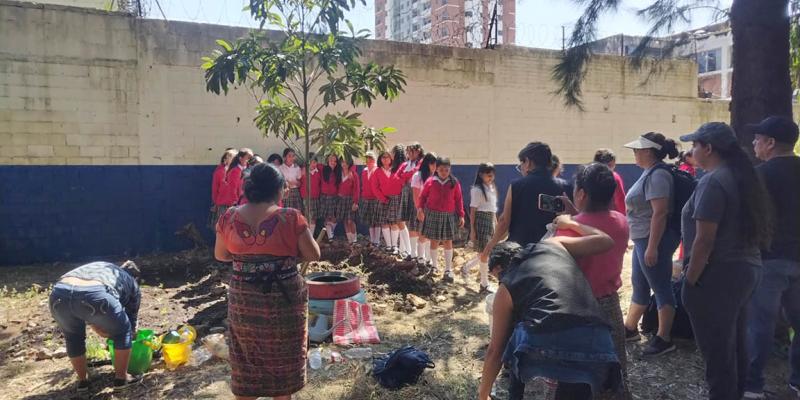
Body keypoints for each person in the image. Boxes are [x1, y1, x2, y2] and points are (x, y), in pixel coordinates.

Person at [478, 220, 622, 400]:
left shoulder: (506, 287)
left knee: (515, 339)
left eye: (495, 277)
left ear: (498, 268)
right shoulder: (554, 244)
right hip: (598, 341)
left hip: (543, 341)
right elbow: (605, 240)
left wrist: (483, 395)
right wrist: (571, 224)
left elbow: (495, 351)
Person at [679, 122, 773, 400]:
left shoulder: (714, 181)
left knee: (717, 350)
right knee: (734, 345)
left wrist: (690, 279)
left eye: (695, 145)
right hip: (746, 269)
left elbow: (704, 239)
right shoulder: (740, 176)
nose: (691, 150)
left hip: (718, 273)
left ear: (708, 148)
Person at [215, 163, 321, 400]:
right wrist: (285, 254)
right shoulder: (290, 217)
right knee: (282, 356)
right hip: (283, 299)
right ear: (279, 189)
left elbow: (221, 254)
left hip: (245, 299)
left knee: (246, 355)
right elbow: (313, 254)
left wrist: (248, 256)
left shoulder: (229, 216)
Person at [558, 163, 632, 399]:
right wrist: (575, 215)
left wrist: (570, 219)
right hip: (610, 305)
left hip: (577, 308)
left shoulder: (566, 231)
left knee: (576, 374)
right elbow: (597, 225)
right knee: (612, 370)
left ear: (581, 193)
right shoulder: (621, 221)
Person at [744, 116, 800, 399]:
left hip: (770, 259)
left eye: (757, 139)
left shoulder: (760, 176)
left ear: (770, 143)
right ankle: (797, 382)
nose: (754, 143)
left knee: (760, 325)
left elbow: (748, 219)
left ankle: (752, 384)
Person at [622, 132, 680, 356]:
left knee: (661, 286)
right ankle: (630, 328)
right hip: (643, 239)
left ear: (648, 151)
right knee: (640, 284)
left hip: (652, 239)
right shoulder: (649, 173)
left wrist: (653, 247)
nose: (635, 153)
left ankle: (664, 338)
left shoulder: (658, 175)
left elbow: (660, 213)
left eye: (637, 150)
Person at [49, 261, 143, 393]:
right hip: (94, 295)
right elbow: (130, 323)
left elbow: (78, 300)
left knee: (73, 338)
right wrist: (121, 337)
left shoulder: (102, 266)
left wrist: (95, 324)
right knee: (123, 331)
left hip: (59, 294)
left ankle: (83, 382)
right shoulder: (131, 282)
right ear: (135, 277)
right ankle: (122, 379)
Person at [481, 142, 562, 259]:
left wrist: (490, 246)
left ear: (528, 162)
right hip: (552, 252)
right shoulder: (565, 187)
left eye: (521, 164)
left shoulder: (516, 186)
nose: (521, 169)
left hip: (520, 251)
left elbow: (504, 221)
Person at [417, 157, 465, 282]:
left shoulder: (454, 183)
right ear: (436, 169)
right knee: (434, 241)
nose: (444, 172)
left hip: (448, 215)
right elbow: (422, 197)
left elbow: (459, 199)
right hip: (433, 214)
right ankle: (434, 266)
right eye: (441, 170)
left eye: (446, 170)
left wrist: (461, 215)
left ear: (450, 170)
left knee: (448, 241)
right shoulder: (431, 181)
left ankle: (448, 270)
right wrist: (420, 209)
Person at [461, 162, 498, 292]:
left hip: (490, 221)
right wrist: (473, 230)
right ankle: (484, 284)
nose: (491, 177)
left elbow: (493, 209)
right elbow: (473, 210)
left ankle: (466, 267)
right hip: (481, 221)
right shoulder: (477, 189)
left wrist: (495, 223)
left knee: (485, 252)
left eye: (492, 175)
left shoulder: (491, 188)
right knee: (484, 253)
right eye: (488, 175)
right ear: (481, 175)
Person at [371, 149, 404, 250]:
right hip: (382, 200)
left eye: (387, 157)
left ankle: (394, 246)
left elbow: (402, 184)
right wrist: (383, 199)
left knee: (394, 222)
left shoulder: (396, 170)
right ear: (380, 159)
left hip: (396, 199)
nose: (385, 159)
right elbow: (375, 187)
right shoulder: (377, 171)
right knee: (384, 223)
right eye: (383, 157)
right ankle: (388, 246)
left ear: (391, 158)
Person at [396, 143, 424, 257]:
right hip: (405, 191)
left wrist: (405, 176)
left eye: (412, 151)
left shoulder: (421, 162)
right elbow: (397, 176)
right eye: (408, 152)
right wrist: (405, 177)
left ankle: (416, 252)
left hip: (415, 192)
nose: (409, 154)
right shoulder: (406, 163)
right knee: (401, 220)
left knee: (414, 222)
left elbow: (414, 173)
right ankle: (408, 249)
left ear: (418, 151)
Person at [411, 152, 438, 262]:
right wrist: (419, 210)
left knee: (430, 236)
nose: (434, 166)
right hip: (422, 208)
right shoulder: (417, 176)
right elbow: (415, 195)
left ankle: (428, 258)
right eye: (432, 164)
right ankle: (420, 258)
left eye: (436, 164)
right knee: (422, 234)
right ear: (427, 164)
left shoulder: (436, 176)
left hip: (433, 209)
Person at [594, 148, 627, 214]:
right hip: (611, 216)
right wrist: (624, 216)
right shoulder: (614, 177)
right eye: (612, 164)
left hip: (591, 216)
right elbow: (620, 200)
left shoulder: (588, 177)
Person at [211, 148, 237, 228]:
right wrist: (215, 203)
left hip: (235, 204)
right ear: (225, 159)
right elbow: (215, 189)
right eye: (231, 157)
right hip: (222, 205)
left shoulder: (238, 171)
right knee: (222, 227)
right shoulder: (219, 172)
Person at [337, 156, 360, 244]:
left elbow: (357, 189)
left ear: (349, 163)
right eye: (342, 162)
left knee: (350, 221)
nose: (344, 164)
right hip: (341, 200)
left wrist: (355, 202)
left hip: (350, 200)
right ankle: (350, 240)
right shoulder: (338, 173)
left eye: (346, 162)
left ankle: (354, 240)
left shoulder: (354, 174)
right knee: (345, 221)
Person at [360, 152, 381, 246]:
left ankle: (377, 241)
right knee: (370, 221)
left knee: (376, 220)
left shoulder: (377, 170)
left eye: (371, 160)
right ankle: (372, 240)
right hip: (366, 198)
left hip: (376, 199)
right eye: (367, 160)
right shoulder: (364, 171)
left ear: (374, 160)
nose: (369, 162)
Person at [320, 154, 342, 240]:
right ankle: (330, 238)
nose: (333, 162)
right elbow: (310, 164)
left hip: (334, 196)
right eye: (331, 160)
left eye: (335, 161)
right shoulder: (322, 169)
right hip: (324, 196)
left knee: (334, 218)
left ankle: (330, 233)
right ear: (327, 161)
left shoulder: (338, 171)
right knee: (326, 217)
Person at [299, 153, 322, 235]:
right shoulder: (303, 171)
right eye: (311, 162)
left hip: (315, 197)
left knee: (313, 218)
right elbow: (298, 180)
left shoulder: (318, 171)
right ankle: (306, 235)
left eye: (314, 162)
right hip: (306, 197)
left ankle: (311, 235)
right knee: (306, 217)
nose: (313, 164)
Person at [279, 148, 304, 213]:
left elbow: (299, 183)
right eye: (289, 156)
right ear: (284, 157)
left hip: (295, 193)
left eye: (293, 156)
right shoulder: (280, 168)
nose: (292, 158)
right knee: (286, 213)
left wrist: (294, 182)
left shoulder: (297, 168)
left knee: (296, 212)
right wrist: (286, 183)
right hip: (285, 192)